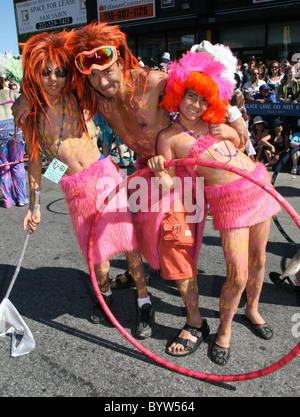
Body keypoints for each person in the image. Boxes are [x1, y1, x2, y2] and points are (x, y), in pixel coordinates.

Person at [13, 23, 248, 321]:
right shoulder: (91, 93)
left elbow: (204, 90)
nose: (101, 80)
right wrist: (25, 94)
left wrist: (235, 121)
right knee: (139, 237)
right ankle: (137, 283)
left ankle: (194, 321)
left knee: (173, 247)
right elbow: (53, 83)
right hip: (145, 172)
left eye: (107, 70)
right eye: (93, 75)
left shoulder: (154, 83)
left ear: (121, 61)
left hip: (178, 173)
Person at [147, 49, 281, 364]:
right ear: (178, 95)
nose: (195, 105)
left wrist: (234, 132)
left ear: (212, 103)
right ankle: (223, 329)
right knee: (238, 272)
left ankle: (252, 309)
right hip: (227, 199)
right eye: (190, 96)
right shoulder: (168, 136)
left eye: (203, 100)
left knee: (259, 261)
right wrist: (157, 168)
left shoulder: (215, 121)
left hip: (257, 185)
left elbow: (240, 143)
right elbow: (167, 183)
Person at [20, 30, 154, 339]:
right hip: (76, 192)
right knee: (98, 259)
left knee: (129, 246)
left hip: (104, 178)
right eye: (45, 72)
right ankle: (105, 296)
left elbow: (92, 65)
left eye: (60, 71)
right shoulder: (32, 119)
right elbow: (38, 166)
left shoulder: (76, 96)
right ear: (35, 74)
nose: (53, 78)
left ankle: (144, 301)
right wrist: (33, 207)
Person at [0, 76, 28, 208]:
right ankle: (22, 198)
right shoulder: (12, 93)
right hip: (14, 128)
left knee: (4, 166)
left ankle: (9, 200)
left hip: (0, 132)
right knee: (18, 164)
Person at [278, 65, 300, 136]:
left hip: (295, 109)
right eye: (290, 72)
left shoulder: (298, 83)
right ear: (286, 73)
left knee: (294, 127)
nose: (292, 74)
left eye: (293, 72)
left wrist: (296, 100)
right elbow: (279, 97)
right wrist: (284, 100)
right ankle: (285, 144)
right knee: (285, 128)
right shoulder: (282, 85)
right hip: (285, 109)